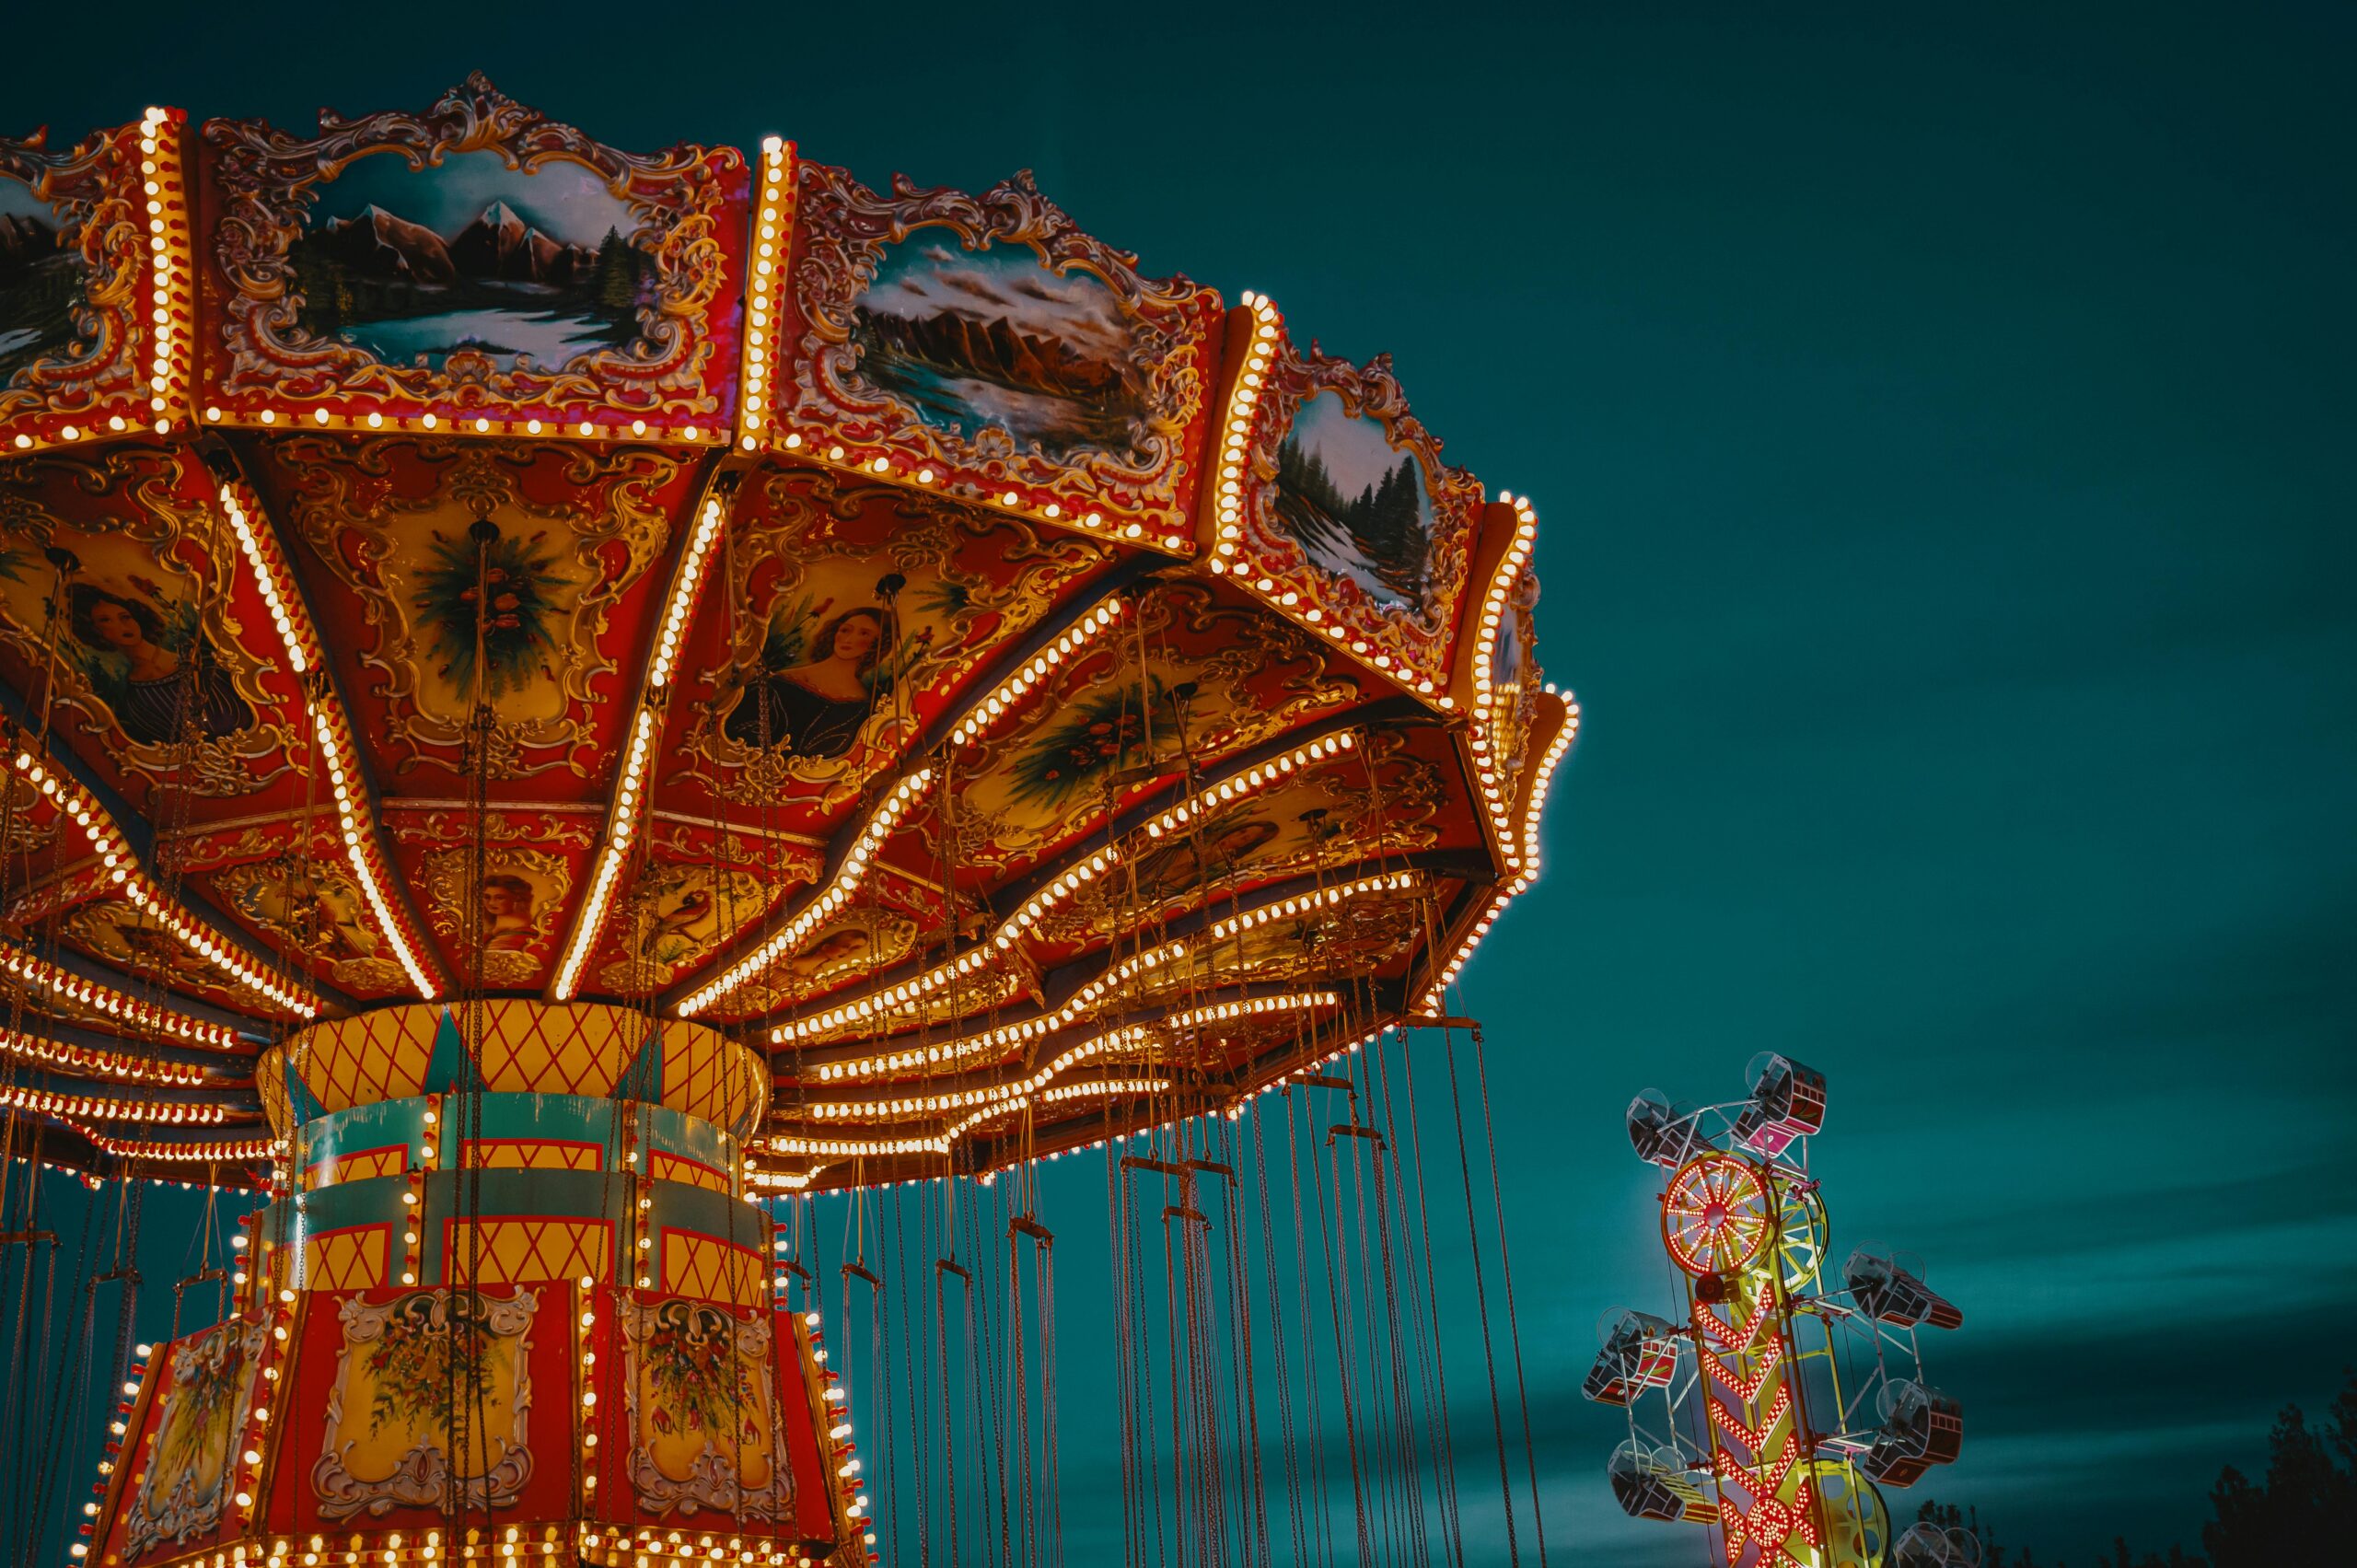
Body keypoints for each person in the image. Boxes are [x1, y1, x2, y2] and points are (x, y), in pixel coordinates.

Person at [68, 585, 253, 745]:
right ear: (96, 631)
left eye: (125, 616)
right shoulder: (136, 702)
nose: (123, 625)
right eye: (106, 620)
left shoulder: (199, 655)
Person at [722, 607, 889, 760]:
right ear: (835, 632)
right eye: (845, 630)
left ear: (878, 643)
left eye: (864, 634)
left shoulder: (863, 706)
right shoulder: (782, 681)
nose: (849, 639)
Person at [477, 873, 538, 950]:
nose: (491, 903)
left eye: (499, 898)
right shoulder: (488, 935)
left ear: (516, 898)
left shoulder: (520, 934)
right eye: (487, 897)